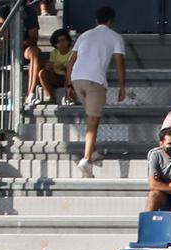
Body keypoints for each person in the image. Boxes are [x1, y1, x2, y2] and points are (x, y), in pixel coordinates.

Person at [65, 6, 126, 178]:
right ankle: (86, 160)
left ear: (96, 20)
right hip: (95, 81)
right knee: (93, 122)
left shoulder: (84, 35)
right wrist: (122, 86)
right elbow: (120, 63)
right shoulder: (115, 37)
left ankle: (93, 151)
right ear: (112, 21)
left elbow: (71, 61)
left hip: (77, 79)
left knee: (89, 116)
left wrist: (68, 85)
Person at [39, 28, 73, 104]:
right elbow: (50, 66)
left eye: (63, 40)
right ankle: (50, 97)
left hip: (68, 78)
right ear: (55, 44)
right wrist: (49, 67)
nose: (61, 43)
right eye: (58, 42)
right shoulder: (54, 53)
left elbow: (71, 68)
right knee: (42, 73)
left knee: (67, 71)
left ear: (68, 41)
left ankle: (69, 97)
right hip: (55, 76)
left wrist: (63, 67)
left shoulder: (72, 53)